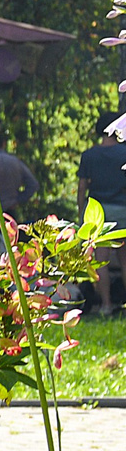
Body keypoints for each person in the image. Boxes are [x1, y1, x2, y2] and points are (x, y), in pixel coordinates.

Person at [78, 120, 126, 315]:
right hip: (123, 208)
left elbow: (82, 188)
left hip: (99, 211)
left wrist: (82, 215)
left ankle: (106, 305)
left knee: (102, 262)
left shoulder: (89, 155)